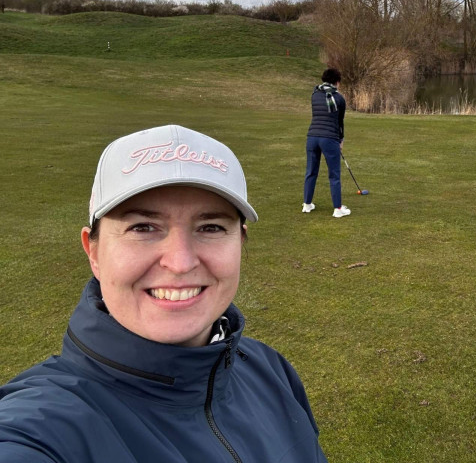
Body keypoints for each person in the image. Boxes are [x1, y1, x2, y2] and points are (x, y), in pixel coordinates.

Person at [0, 125, 328, 462]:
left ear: (241, 242)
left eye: (211, 227)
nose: (180, 262)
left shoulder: (269, 370)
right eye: (142, 227)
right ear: (93, 252)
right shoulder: (42, 429)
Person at [302, 68, 350, 218]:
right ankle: (337, 209)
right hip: (329, 139)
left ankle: (307, 204)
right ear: (337, 82)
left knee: (311, 171)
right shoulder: (339, 99)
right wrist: (340, 140)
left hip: (312, 137)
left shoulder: (315, 94)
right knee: (334, 174)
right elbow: (339, 122)